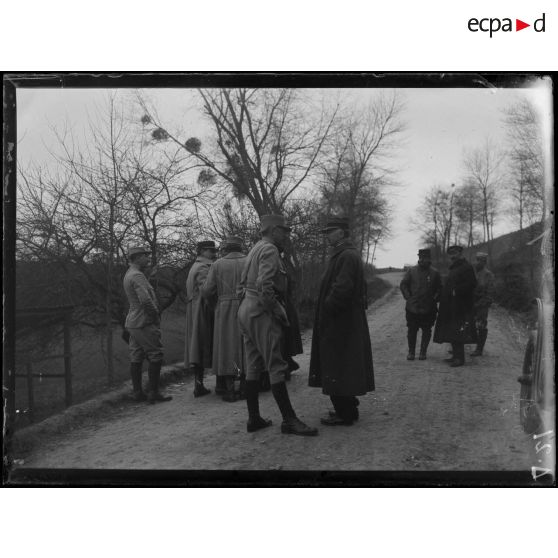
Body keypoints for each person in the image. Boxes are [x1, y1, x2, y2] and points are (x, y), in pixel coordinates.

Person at [237, 214, 318, 436]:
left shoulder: (256, 248)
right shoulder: (270, 249)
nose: (287, 234)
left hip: (246, 309)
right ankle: (289, 420)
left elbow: (242, 284)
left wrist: (248, 304)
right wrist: (277, 310)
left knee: (253, 365)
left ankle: (254, 419)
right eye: (284, 230)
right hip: (261, 311)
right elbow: (265, 285)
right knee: (276, 365)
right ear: (273, 230)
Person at [309, 217, 375, 426]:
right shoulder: (345, 254)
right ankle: (348, 410)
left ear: (342, 232)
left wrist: (327, 310)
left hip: (340, 322)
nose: (327, 235)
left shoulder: (346, 255)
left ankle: (345, 414)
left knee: (337, 365)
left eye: (331, 231)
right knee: (342, 365)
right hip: (345, 321)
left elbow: (342, 289)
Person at [123, 246, 172, 404]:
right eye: (145, 256)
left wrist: (150, 279)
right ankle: (153, 393)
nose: (148, 258)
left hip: (133, 321)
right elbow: (145, 300)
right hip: (143, 321)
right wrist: (155, 315)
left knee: (136, 356)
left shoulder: (130, 274)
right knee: (155, 355)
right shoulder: (137, 276)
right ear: (137, 258)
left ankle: (138, 393)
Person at [201, 236, 247, 402]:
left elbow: (206, 290)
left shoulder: (217, 264)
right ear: (240, 247)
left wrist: (216, 303)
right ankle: (245, 386)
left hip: (225, 307)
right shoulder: (249, 261)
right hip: (246, 305)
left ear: (226, 249)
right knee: (245, 344)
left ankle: (229, 389)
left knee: (227, 345)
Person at [433, 245, 477, 367]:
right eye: (451, 254)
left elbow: (472, 283)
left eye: (455, 253)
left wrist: (456, 291)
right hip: (451, 305)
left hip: (461, 306)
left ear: (460, 254)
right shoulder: (454, 267)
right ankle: (455, 356)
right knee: (452, 331)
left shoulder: (466, 267)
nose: (453, 256)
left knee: (458, 331)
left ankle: (460, 359)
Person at [185, 240, 217, 397]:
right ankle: (200, 385)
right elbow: (207, 291)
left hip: (194, 309)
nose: (213, 253)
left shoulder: (195, 266)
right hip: (202, 310)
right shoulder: (205, 267)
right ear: (202, 251)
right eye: (210, 251)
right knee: (203, 345)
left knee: (196, 346)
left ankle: (199, 384)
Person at [400, 248, 442, 360]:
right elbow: (403, 284)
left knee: (427, 330)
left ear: (429, 259)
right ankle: (411, 352)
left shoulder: (435, 273)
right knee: (412, 330)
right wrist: (408, 297)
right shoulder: (411, 271)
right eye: (421, 257)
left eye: (426, 257)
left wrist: (434, 299)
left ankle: (423, 352)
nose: (423, 260)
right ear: (419, 258)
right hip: (412, 307)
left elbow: (440, 288)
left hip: (429, 308)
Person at [471, 252, 494, 357]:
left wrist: (481, 304)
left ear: (484, 262)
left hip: (482, 305)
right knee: (468, 324)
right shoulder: (472, 272)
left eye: (479, 260)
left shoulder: (488, 275)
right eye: (476, 260)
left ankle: (479, 349)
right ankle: (461, 346)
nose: (477, 262)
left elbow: (490, 293)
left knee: (481, 326)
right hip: (471, 303)